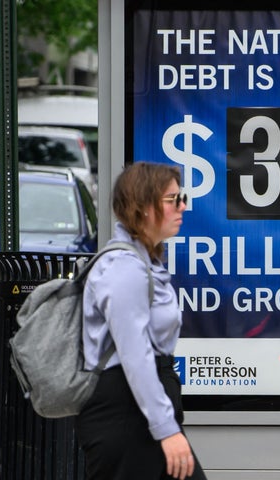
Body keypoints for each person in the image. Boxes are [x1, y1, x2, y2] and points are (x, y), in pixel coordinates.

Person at [76, 162, 207, 480]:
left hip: (143, 408)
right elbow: (135, 356)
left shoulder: (144, 263)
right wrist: (166, 430)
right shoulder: (124, 269)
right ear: (144, 207)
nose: (183, 206)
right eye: (173, 199)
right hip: (124, 413)